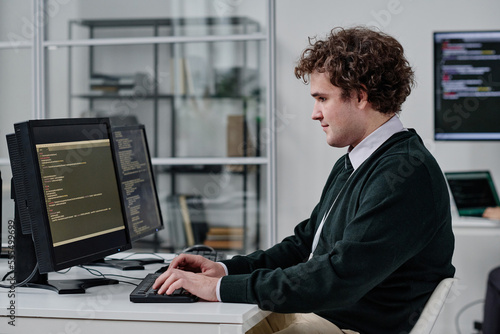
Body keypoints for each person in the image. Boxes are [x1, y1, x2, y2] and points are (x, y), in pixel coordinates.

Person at [153, 26, 456, 333]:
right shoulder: (357, 161)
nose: (315, 113)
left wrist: (219, 288)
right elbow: (304, 246)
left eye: (322, 98)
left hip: (349, 326)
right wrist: (225, 270)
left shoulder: (403, 174)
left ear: (361, 95)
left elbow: (335, 278)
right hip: (324, 314)